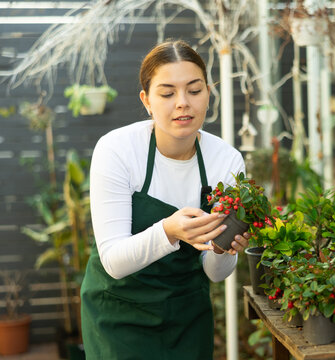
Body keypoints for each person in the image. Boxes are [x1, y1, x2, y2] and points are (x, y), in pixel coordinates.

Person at [80, 39, 250, 360]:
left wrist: (223, 247)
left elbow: (215, 272)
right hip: (118, 315)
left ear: (208, 94)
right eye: (168, 93)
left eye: (195, 90)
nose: (183, 103)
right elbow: (114, 262)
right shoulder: (117, 150)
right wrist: (170, 231)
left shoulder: (225, 161)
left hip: (187, 315)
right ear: (147, 101)